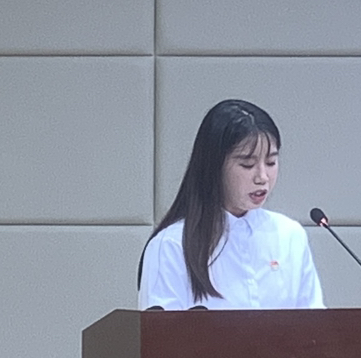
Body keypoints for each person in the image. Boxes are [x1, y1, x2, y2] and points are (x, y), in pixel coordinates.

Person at [138, 99, 324, 310]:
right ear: (214, 166)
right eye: (247, 164)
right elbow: (159, 329)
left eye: (271, 162)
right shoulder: (172, 245)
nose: (262, 177)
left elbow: (315, 322)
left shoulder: (290, 236)